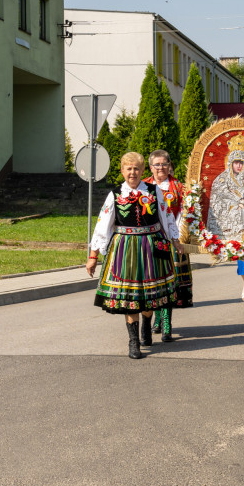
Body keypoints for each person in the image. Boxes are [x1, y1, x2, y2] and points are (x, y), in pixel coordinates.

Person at [87, 152, 183, 359]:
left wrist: (175, 239)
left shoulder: (154, 190)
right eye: (128, 168)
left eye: (136, 168)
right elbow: (103, 225)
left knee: (149, 296)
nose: (133, 172)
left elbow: (166, 216)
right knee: (132, 297)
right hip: (126, 248)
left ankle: (146, 325)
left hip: (151, 246)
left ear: (142, 171)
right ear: (122, 171)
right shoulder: (114, 194)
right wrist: (93, 255)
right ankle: (133, 342)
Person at [144, 149, 193, 342]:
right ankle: (156, 318)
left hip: (172, 240)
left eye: (164, 164)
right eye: (157, 164)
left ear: (169, 165)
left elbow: (184, 213)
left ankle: (166, 324)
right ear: (150, 167)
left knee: (169, 282)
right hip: (150, 240)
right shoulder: (144, 186)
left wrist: (178, 237)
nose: (161, 168)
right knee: (152, 282)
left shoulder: (178, 187)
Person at [207, 142, 244, 240]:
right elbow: (218, 196)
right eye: (236, 163)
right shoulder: (222, 178)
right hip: (226, 206)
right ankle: (237, 231)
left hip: (241, 203)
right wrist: (236, 202)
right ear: (231, 163)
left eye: (241, 163)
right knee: (239, 208)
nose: (239, 166)